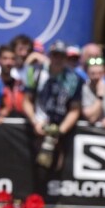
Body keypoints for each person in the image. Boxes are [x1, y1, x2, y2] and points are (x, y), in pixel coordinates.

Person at [22, 40, 83, 172]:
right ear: (49, 56)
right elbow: (27, 101)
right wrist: (34, 122)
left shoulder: (74, 79)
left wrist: (60, 130)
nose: (58, 59)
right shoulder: (35, 72)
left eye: (61, 56)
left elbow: (75, 109)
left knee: (58, 168)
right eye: (55, 55)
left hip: (61, 129)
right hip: (38, 126)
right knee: (34, 167)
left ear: (66, 58)